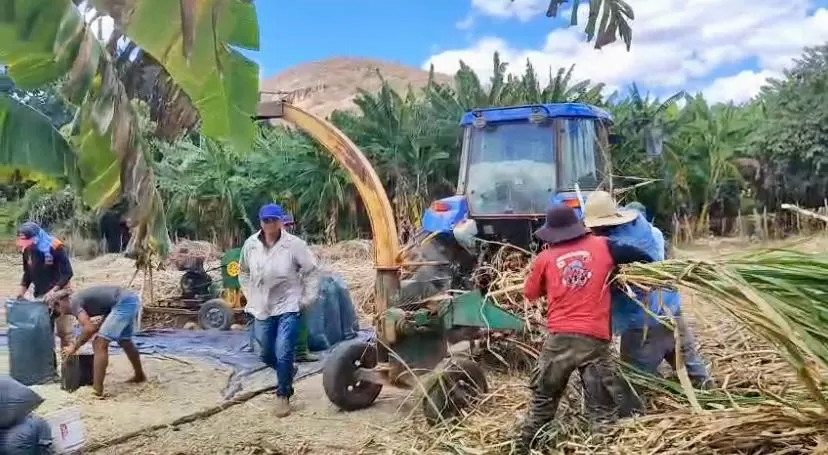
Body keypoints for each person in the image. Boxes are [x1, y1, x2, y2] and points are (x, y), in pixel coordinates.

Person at [517, 204, 654, 454]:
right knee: (601, 408)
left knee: (543, 402)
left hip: (559, 340)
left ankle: (523, 447)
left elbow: (530, 293)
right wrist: (615, 273)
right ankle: (601, 446)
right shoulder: (604, 246)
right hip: (594, 339)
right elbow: (644, 257)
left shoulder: (545, 258)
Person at [583, 193, 712, 389]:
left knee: (634, 386)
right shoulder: (642, 227)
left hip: (643, 322)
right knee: (694, 372)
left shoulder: (612, 248)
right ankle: (708, 393)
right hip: (670, 307)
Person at [239, 203, 320, 417]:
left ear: (281, 221)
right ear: (260, 222)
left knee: (284, 351)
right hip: (262, 307)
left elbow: (311, 271)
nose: (270, 224)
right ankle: (287, 371)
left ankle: (283, 394)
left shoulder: (294, 245)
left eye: (274, 220)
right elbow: (243, 272)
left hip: (288, 305)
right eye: (266, 220)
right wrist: (250, 293)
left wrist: (307, 299)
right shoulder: (250, 245)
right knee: (265, 353)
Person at [58, 285, 146, 398]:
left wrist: (74, 347)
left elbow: (89, 328)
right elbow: (95, 324)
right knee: (124, 341)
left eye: (57, 306)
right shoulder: (76, 300)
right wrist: (97, 328)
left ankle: (97, 390)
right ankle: (139, 375)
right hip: (126, 300)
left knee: (99, 343)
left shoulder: (73, 303)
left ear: (61, 302)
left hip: (123, 302)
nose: (59, 311)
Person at [15, 221, 75, 373]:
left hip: (60, 295)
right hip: (41, 298)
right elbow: (28, 274)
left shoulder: (55, 247)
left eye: (28, 240)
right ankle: (49, 372)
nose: (26, 244)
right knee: (45, 335)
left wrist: (54, 291)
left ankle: (70, 372)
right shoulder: (27, 250)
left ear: (37, 237)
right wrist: (22, 291)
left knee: (65, 334)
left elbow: (67, 273)